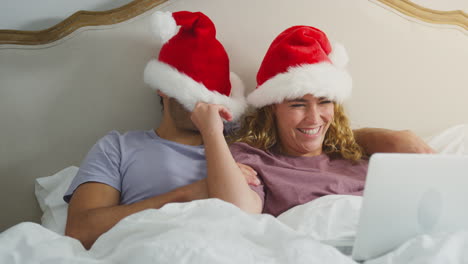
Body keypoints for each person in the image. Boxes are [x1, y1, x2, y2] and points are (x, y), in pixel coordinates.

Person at [64, 15, 432, 249]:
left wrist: (385, 139)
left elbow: (313, 135)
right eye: (193, 94)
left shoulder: (243, 140)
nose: (205, 107)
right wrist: (190, 193)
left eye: (213, 97)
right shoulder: (120, 146)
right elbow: (79, 229)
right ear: (163, 87)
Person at [190, 25, 434, 216]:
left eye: (324, 102)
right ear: (272, 108)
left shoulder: (356, 153)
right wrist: (213, 133)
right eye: (298, 104)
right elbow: (239, 211)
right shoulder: (254, 160)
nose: (314, 118)